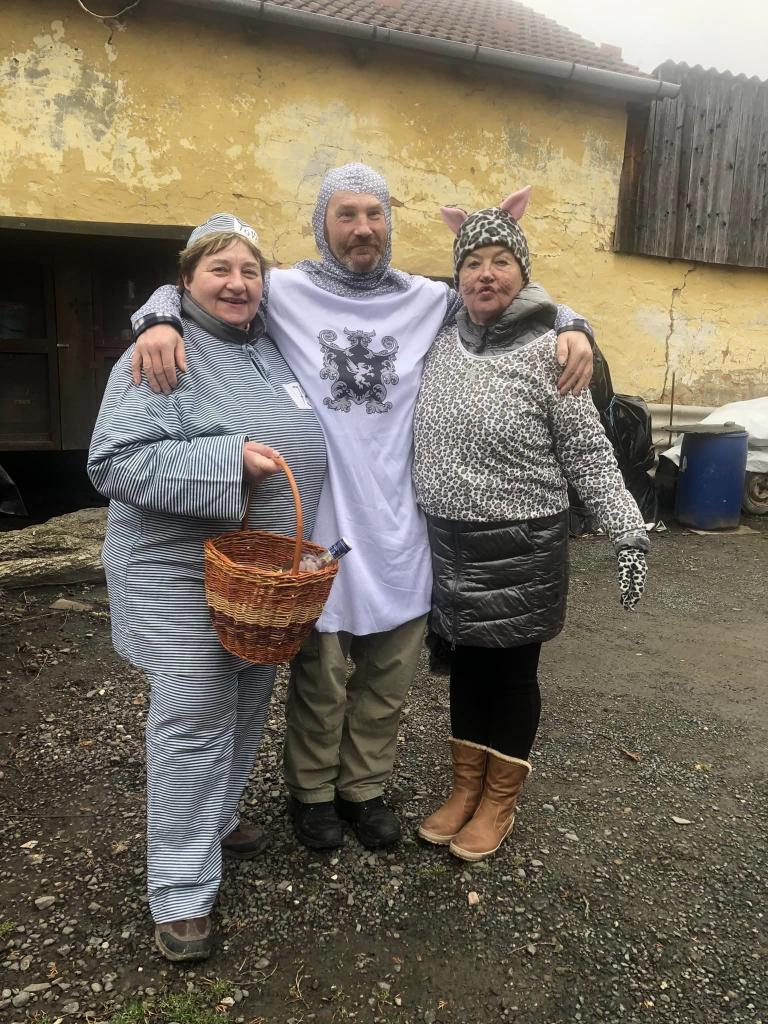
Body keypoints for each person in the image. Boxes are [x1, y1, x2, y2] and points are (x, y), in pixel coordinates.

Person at [128, 164, 595, 853]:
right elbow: (206, 279)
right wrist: (156, 318)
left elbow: (503, 291)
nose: (362, 228)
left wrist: (573, 324)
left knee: (388, 675)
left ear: (389, 223)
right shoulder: (284, 290)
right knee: (320, 675)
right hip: (322, 520)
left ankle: (364, 789)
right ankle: (312, 791)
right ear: (323, 224)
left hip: (401, 523)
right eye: (345, 214)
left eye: (374, 214)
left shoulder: (426, 299)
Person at [88, 214, 327, 962]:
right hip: (174, 568)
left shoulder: (268, 345)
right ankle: (181, 891)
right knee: (194, 710)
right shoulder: (163, 351)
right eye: (219, 269)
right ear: (186, 280)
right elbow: (112, 460)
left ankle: (217, 818)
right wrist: (228, 461)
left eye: (250, 270)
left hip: (255, 580)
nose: (237, 283)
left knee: (249, 695)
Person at [411, 189, 649, 862]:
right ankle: (465, 789)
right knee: (466, 671)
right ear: (457, 276)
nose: (485, 274)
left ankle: (498, 803)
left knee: (511, 676)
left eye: (501, 261)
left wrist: (628, 530)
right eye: (472, 263)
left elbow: (588, 452)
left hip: (523, 546)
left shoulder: (553, 352)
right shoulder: (439, 340)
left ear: (523, 272)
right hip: (450, 545)